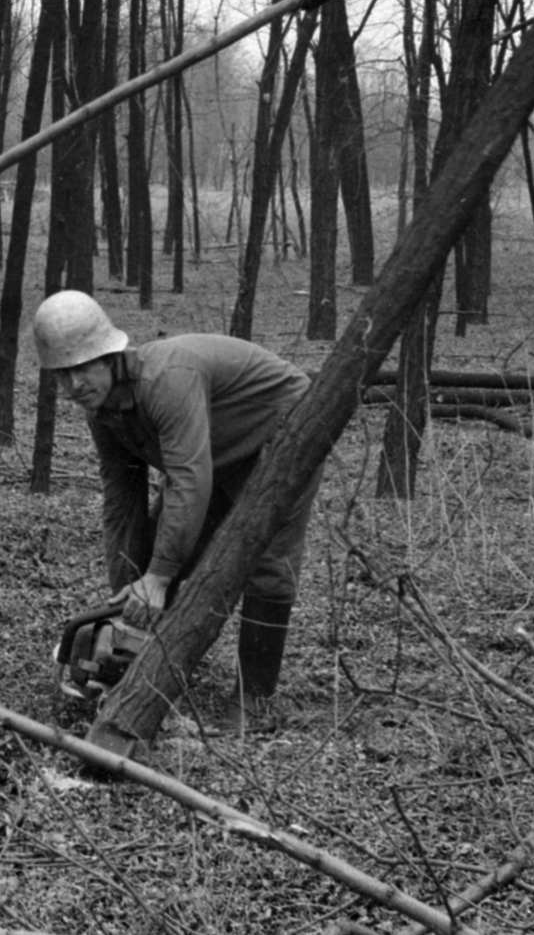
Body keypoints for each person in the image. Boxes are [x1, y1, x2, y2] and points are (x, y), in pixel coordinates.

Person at [32, 290, 320, 727]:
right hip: (215, 452)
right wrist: (129, 590)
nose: (73, 386)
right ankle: (138, 667)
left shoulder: (166, 379)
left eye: (81, 369)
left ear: (110, 356)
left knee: (266, 563)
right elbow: (122, 500)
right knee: (154, 557)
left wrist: (159, 577)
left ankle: (253, 703)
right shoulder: (103, 412)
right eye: (61, 375)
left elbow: (188, 478)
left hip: (285, 429)